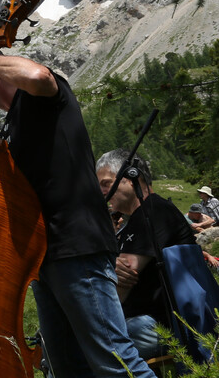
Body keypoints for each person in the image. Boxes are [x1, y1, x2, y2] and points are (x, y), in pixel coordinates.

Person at [0, 42, 153, 377]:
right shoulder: (13, 123)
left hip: (76, 247)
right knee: (68, 368)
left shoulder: (40, 96)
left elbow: (38, 75)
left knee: (116, 363)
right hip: (47, 257)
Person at [97, 150, 197, 358]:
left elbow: (118, 288)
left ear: (132, 177)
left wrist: (106, 268)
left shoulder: (152, 210)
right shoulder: (138, 217)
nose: (101, 191)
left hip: (160, 324)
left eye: (106, 183)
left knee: (81, 346)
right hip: (146, 319)